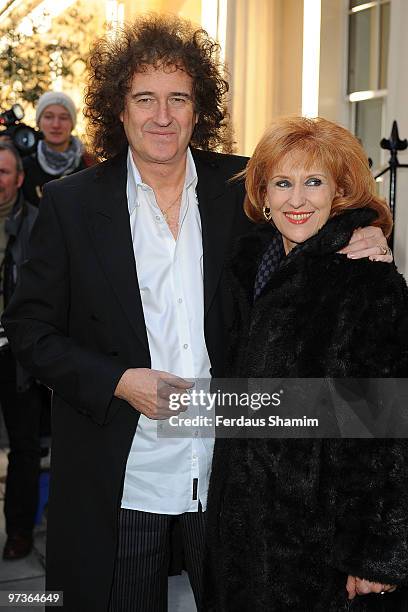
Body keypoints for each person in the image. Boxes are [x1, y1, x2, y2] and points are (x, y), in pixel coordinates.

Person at [2, 16, 391, 612]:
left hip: (231, 473)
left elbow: (309, 210)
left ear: (198, 108)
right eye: (145, 98)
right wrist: (118, 382)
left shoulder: (239, 186)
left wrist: (365, 232)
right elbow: (29, 331)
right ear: (119, 109)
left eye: (178, 98)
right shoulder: (70, 206)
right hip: (124, 471)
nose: (162, 115)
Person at [203, 116, 408, 611]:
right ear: (264, 196)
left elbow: (388, 432)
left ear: (339, 192)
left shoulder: (367, 283)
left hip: (321, 543)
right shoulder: (247, 269)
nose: (297, 200)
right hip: (242, 526)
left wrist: (377, 553)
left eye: (313, 182)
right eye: (283, 183)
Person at [0, 142, 45, 560]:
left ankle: (19, 530)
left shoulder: (36, 224)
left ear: (17, 178)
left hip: (18, 355)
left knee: (25, 447)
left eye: (3, 171)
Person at [22, 91, 95, 206]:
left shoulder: (89, 165)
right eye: (48, 117)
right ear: (39, 122)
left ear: (72, 123)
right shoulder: (23, 165)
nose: (56, 125)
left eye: (64, 117)